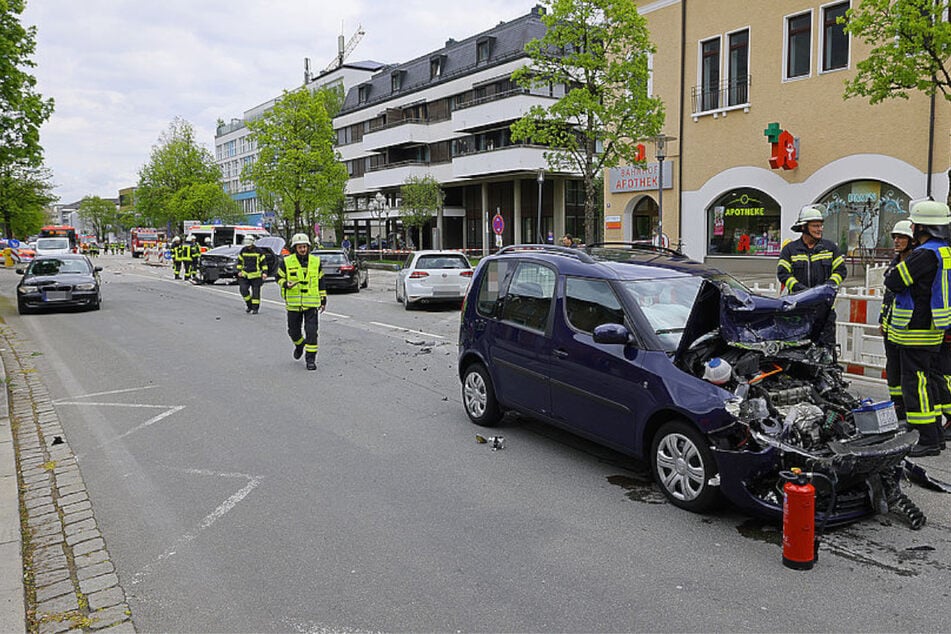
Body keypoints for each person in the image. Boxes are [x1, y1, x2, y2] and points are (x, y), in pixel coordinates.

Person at [883, 200, 951, 457]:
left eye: (914, 223)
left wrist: (894, 273)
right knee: (929, 380)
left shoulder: (925, 254)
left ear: (923, 226)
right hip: (935, 326)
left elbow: (895, 281)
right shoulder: (945, 251)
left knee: (915, 384)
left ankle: (926, 439)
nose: (912, 227)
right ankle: (934, 433)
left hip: (916, 328)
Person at [776, 204, 847, 349]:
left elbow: (840, 270)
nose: (819, 229)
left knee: (826, 349)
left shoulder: (830, 248)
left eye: (820, 225)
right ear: (803, 227)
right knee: (799, 350)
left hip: (825, 310)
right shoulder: (790, 250)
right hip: (799, 310)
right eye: (815, 225)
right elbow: (783, 273)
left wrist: (826, 288)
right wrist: (801, 291)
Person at [879, 220, 915, 421]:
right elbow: (888, 297)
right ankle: (897, 406)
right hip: (891, 326)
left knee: (907, 372)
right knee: (893, 370)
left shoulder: (916, 264)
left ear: (911, 240)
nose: (897, 241)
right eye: (895, 237)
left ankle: (910, 409)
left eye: (901, 237)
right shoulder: (895, 263)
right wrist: (882, 320)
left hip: (908, 329)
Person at [277, 233, 327, 371]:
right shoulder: (286, 262)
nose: (303, 249)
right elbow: (278, 278)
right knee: (293, 331)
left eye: (304, 246)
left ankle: (310, 360)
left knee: (312, 332)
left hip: (311, 304)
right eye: (300, 247)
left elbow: (321, 281)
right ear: (295, 248)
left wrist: (323, 299)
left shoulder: (316, 262)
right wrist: (286, 284)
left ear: (308, 247)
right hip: (293, 304)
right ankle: (299, 345)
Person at [237, 235, 267, 314]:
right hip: (245, 275)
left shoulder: (259, 251)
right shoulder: (243, 250)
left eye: (249, 245)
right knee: (243, 290)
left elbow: (263, 263)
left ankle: (255, 308)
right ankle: (249, 304)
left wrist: (264, 273)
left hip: (256, 276)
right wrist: (239, 271)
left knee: (256, 293)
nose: (248, 247)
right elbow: (240, 262)